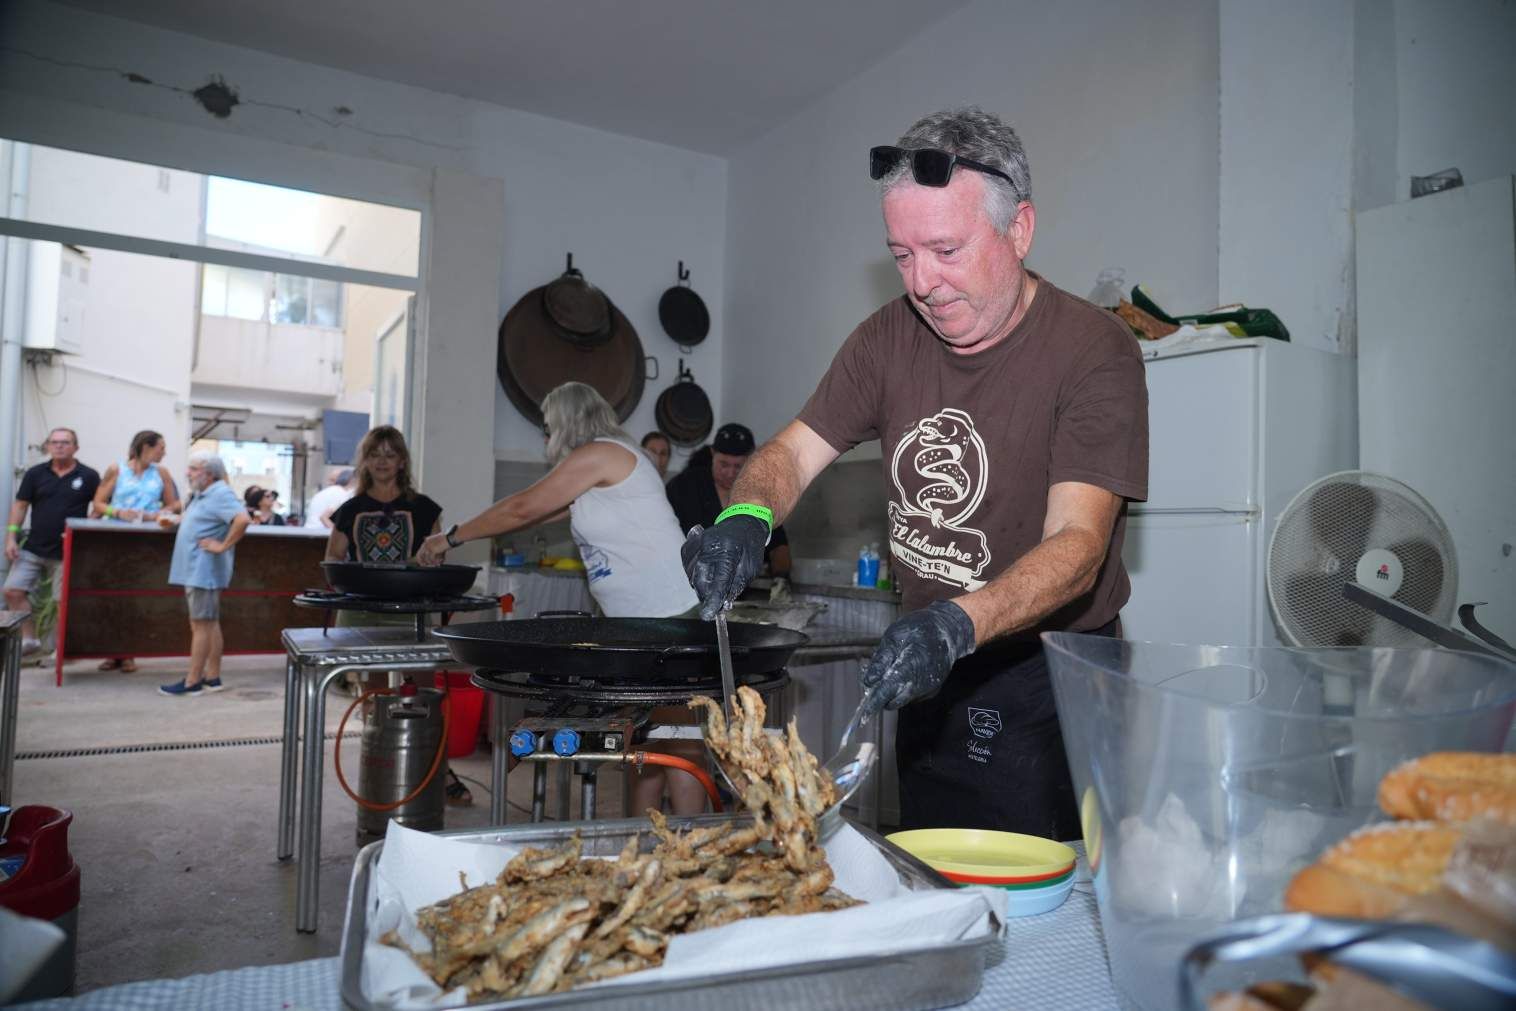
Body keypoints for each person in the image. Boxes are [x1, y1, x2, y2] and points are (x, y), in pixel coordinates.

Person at [681, 108, 1148, 839]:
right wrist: (746, 517)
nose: (922, 282)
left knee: (1035, 904)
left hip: (1048, 673)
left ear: (1019, 229)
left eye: (946, 249)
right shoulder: (889, 337)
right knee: (927, 864)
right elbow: (791, 454)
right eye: (901, 255)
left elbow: (1078, 545)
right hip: (931, 654)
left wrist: (959, 624)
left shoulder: (1094, 349)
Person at [418, 382, 703, 815]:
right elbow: (532, 511)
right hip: (638, 625)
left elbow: (523, 508)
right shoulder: (592, 469)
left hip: (671, 614)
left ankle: (692, 852)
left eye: (548, 427)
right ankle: (644, 840)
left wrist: (450, 538)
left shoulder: (602, 454)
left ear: (568, 422)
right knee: (647, 739)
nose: (546, 437)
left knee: (678, 741)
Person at [324, 426, 472, 804]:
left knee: (421, 690)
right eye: (375, 454)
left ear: (402, 461)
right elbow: (333, 559)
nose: (382, 462)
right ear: (365, 461)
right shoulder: (350, 510)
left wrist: (430, 559)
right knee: (375, 695)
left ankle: (432, 768)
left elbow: (437, 559)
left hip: (413, 611)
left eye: (390, 454)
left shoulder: (425, 508)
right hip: (365, 613)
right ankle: (385, 764)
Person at [159, 451, 250, 696]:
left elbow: (242, 520)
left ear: (209, 473)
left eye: (193, 468)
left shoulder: (220, 492)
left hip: (204, 569)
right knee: (208, 623)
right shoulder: (203, 494)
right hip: (196, 569)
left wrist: (222, 546)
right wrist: (178, 521)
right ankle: (212, 677)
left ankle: (192, 681)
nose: (188, 473)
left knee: (201, 625)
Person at [91, 429, 183, 672]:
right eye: (161, 447)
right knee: (109, 594)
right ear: (146, 447)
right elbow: (99, 503)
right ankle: (111, 652)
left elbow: (173, 504)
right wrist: (118, 512)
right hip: (115, 538)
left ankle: (129, 652)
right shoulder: (116, 469)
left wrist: (161, 513)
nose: (164, 452)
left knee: (135, 595)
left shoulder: (162, 473)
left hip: (146, 539)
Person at [4, 428, 100, 656]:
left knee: (62, 602)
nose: (59, 446)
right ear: (47, 446)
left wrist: (84, 527)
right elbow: (20, 505)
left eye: (65, 442)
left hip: (67, 550)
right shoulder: (35, 474)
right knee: (12, 591)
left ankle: (60, 648)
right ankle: (30, 640)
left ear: (75, 447)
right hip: (33, 547)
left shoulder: (89, 475)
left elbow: (100, 505)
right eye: (54, 442)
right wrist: (10, 537)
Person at [666, 423, 791, 579]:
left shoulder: (758, 493)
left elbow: (778, 544)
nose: (730, 473)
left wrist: (781, 578)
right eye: (723, 464)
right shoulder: (684, 486)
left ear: (752, 460)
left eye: (738, 466)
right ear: (712, 453)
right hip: (686, 582)